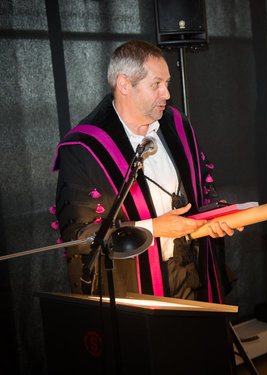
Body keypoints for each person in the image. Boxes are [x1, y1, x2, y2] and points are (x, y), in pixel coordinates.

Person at [53, 39, 241, 303]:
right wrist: (154, 227)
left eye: (167, 84)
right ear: (124, 84)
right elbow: (77, 236)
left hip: (190, 267)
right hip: (134, 283)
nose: (166, 94)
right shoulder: (83, 148)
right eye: (156, 84)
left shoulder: (176, 124)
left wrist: (214, 214)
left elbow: (200, 187)